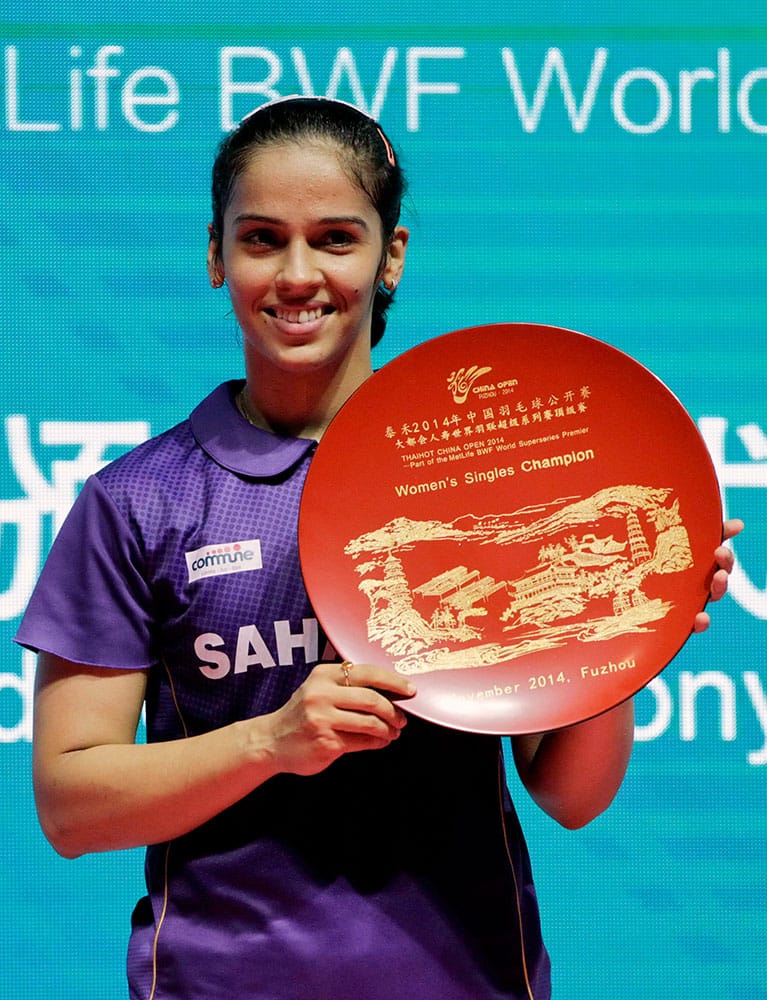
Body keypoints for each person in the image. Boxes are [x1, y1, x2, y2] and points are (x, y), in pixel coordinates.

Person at [16, 97, 742, 1000]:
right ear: (215, 255)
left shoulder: (483, 471)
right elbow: (72, 805)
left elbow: (569, 796)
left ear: (390, 254)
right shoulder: (138, 502)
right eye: (259, 239)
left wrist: (625, 632)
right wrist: (272, 742)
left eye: (333, 238)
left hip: (469, 979)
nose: (296, 273)